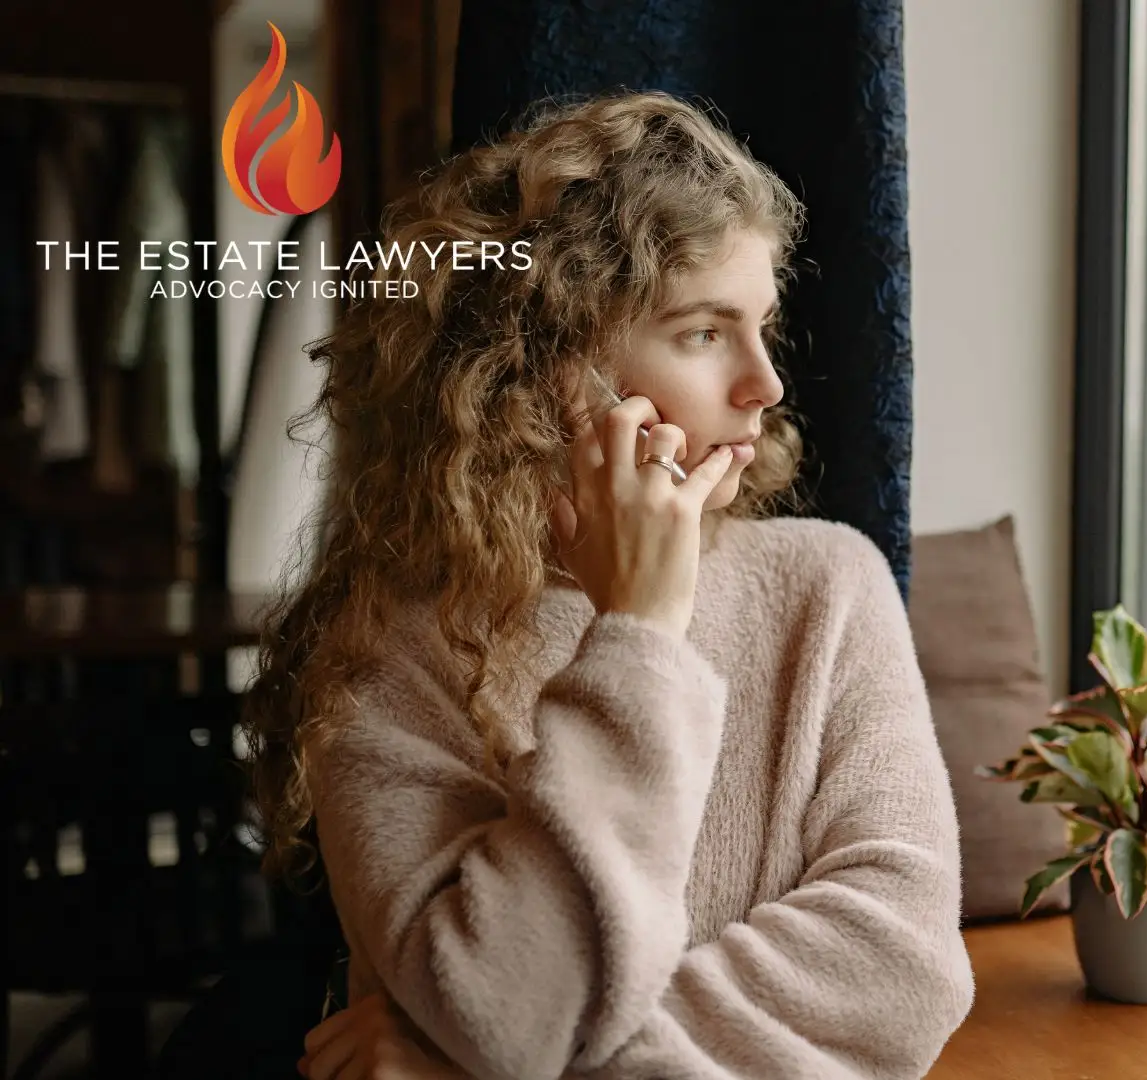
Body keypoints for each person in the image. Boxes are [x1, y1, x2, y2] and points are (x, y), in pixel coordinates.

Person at [242, 91, 974, 1080]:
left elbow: (906, 973)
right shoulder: (385, 655)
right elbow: (505, 1011)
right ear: (549, 364)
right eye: (704, 332)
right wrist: (641, 634)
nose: (766, 383)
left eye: (761, 324)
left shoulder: (829, 585)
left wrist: (468, 1067)